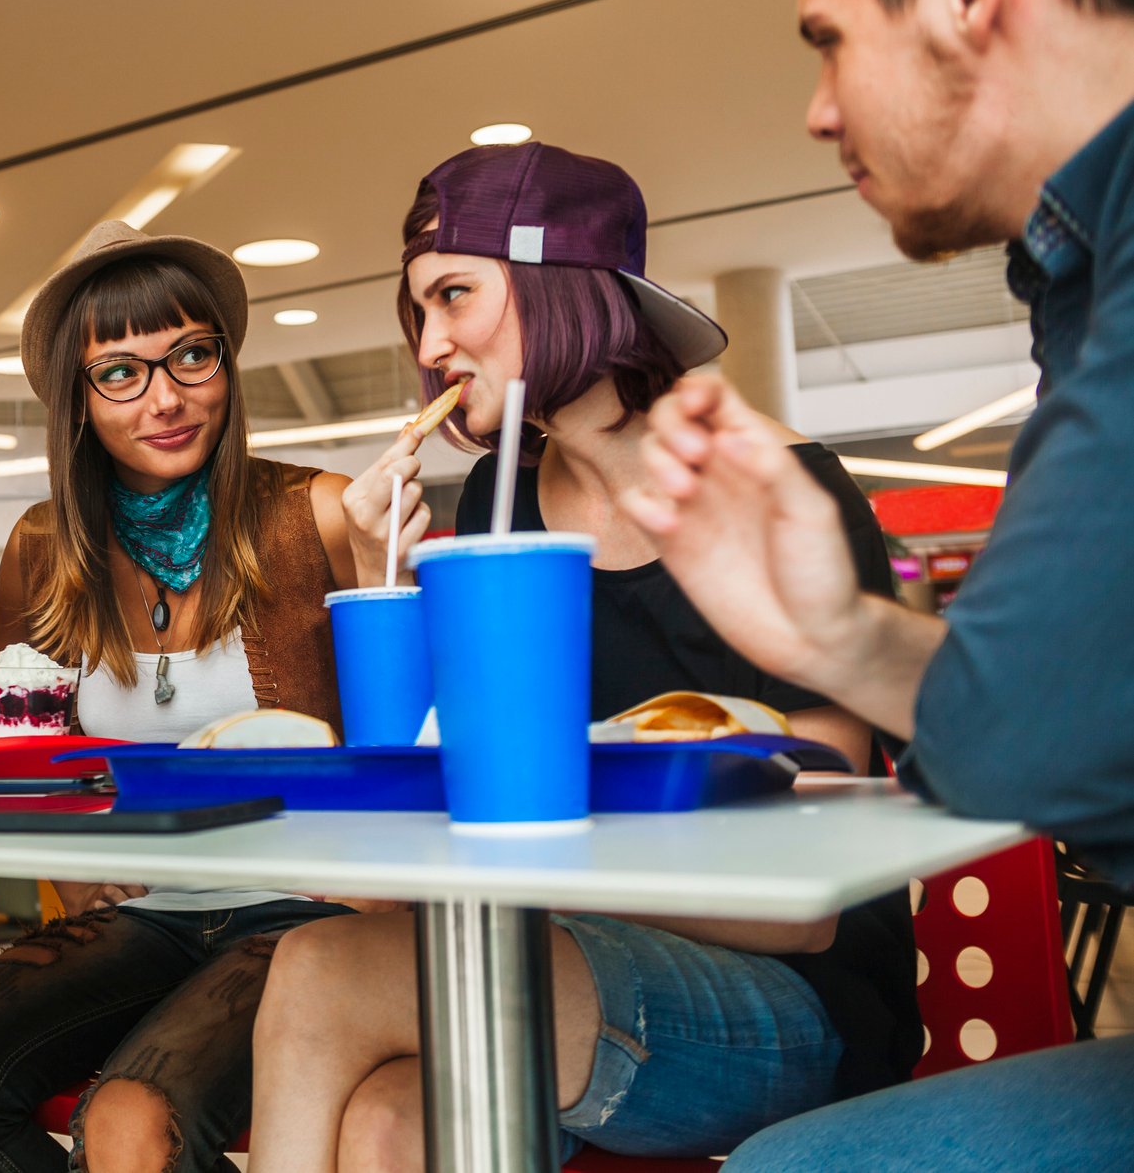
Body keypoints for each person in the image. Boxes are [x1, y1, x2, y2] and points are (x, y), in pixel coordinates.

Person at [620, 0, 1134, 1168]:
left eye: (828, 36)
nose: (817, 106)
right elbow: (1077, 727)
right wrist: (838, 635)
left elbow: (1030, 741)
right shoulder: (1083, 271)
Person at [248, 142, 920, 1170]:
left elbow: (807, 906)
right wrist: (386, 581)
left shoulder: (778, 491)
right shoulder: (495, 507)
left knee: (322, 973)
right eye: (418, 312)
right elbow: (449, 776)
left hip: (798, 1006)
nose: (429, 344)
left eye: (454, 296)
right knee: (387, 1125)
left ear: (558, 286)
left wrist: (536, 857)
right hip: (569, 956)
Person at [0, 219, 390, 1173]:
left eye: (190, 356)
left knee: (128, 1123)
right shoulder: (43, 547)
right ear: (75, 401)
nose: (166, 398)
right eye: (120, 371)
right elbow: (8, 750)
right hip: (137, 912)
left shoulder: (316, 513)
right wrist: (76, 872)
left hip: (304, 912)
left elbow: (419, 732)